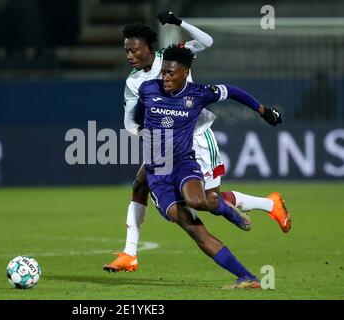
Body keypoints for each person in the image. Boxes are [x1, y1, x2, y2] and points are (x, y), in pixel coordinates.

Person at [104, 11, 290, 273]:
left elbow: (207, 42)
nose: (129, 56)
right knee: (140, 184)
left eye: (134, 50)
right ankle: (129, 253)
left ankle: (270, 205)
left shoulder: (172, 57)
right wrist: (145, 133)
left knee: (206, 199)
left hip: (198, 138)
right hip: (164, 147)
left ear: (149, 48)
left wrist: (179, 23)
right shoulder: (135, 83)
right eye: (126, 51)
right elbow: (130, 121)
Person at [137, 45, 268, 288]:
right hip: (158, 175)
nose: (165, 77)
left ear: (185, 73)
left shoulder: (198, 94)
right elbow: (137, 117)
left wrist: (262, 110)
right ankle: (248, 278)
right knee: (194, 229)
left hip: (184, 164)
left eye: (170, 73)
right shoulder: (148, 89)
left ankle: (229, 211)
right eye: (163, 72)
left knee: (198, 200)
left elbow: (232, 91)